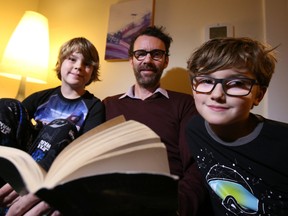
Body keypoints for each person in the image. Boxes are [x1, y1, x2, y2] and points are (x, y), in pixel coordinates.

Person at [103, 26, 211, 216]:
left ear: (166, 61)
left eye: (156, 54)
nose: (147, 60)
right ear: (131, 60)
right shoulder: (108, 105)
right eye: (141, 54)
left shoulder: (185, 104)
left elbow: (195, 165)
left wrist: (177, 207)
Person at [0, 37, 105, 215]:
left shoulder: (94, 106)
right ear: (61, 63)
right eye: (72, 59)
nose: (79, 66)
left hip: (53, 171)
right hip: (22, 159)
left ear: (92, 72)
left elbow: (88, 151)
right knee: (6, 105)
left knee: (63, 126)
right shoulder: (41, 97)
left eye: (87, 63)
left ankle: (27, 187)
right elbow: (17, 124)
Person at [186, 37, 288, 215]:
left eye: (237, 83)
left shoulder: (282, 143)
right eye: (206, 81)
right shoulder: (195, 130)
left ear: (258, 95)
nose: (217, 94)